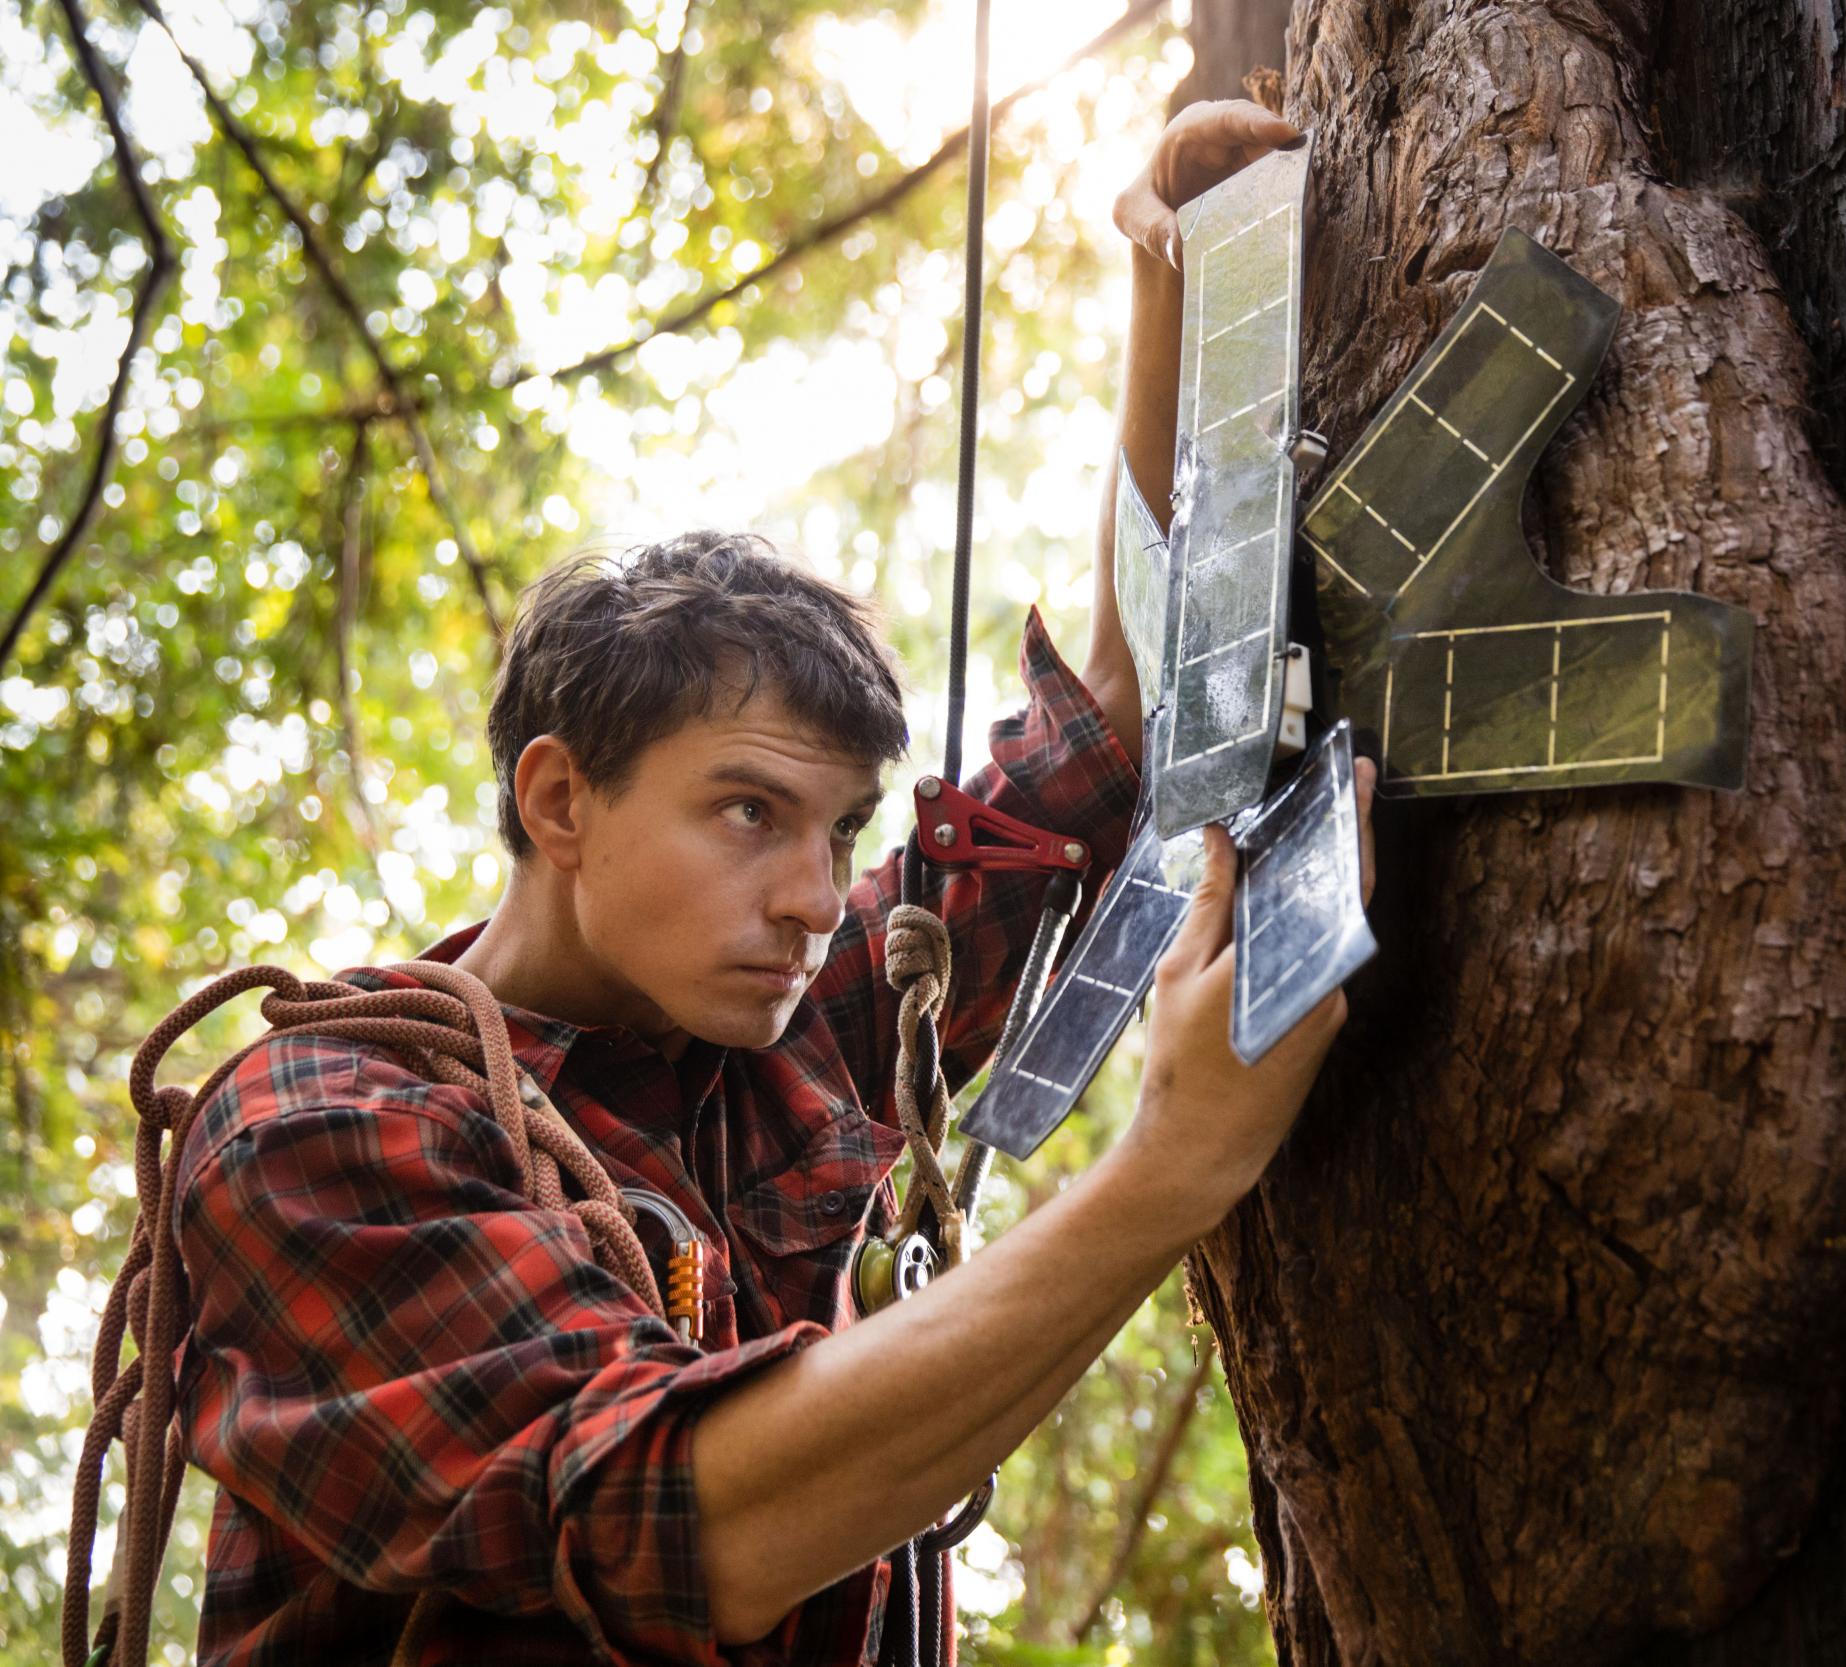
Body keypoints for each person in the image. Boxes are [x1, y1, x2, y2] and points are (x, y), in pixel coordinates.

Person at [171, 100, 1365, 1665]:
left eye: (841, 831)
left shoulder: (797, 1032)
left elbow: (1112, 740)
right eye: (747, 811)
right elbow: (684, 1520)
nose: (817, 895)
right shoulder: (317, 1127)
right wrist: (1166, 1174)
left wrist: (1172, 280)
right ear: (560, 800)